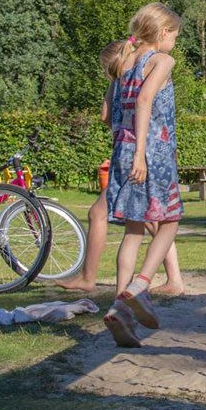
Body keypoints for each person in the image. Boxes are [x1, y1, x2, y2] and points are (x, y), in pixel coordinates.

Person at [56, 40, 184, 296]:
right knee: (157, 217)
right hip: (151, 151)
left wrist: (125, 136)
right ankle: (167, 280)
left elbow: (106, 115)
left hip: (134, 155)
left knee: (131, 219)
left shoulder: (121, 80)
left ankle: (103, 281)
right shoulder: (141, 71)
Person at [101, 3, 186, 347]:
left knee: (134, 231)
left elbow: (108, 115)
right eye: (175, 35)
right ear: (164, 32)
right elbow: (147, 99)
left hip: (122, 149)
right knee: (170, 220)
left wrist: (127, 147)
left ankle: (120, 309)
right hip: (152, 153)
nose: (176, 43)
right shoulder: (162, 62)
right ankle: (140, 285)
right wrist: (142, 153)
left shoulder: (123, 62)